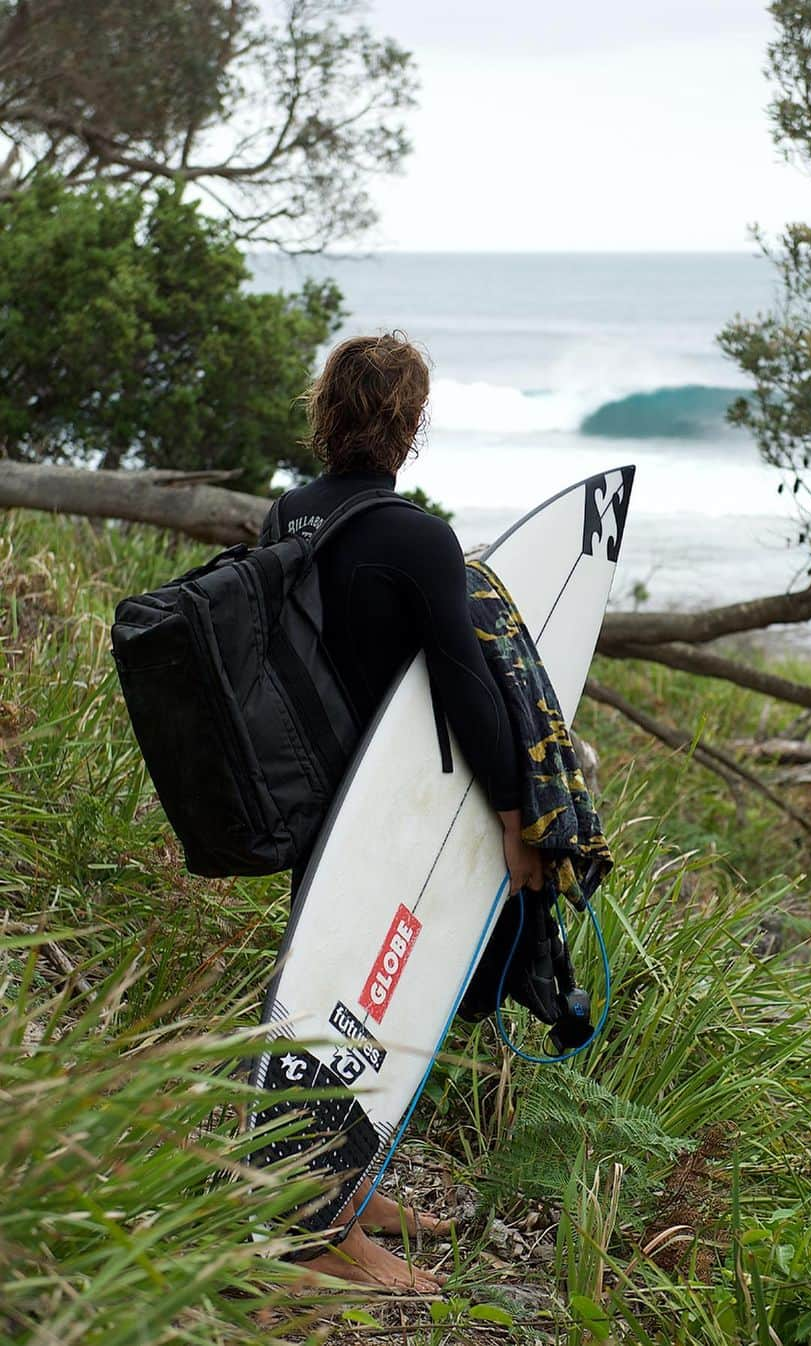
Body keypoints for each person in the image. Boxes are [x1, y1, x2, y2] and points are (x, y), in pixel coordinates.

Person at [262, 334, 543, 1292]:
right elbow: (465, 686)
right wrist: (516, 813)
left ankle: (352, 1190)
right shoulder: (417, 537)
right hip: (393, 817)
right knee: (364, 999)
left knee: (342, 989)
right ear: (410, 423)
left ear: (326, 411)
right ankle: (321, 1234)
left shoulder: (288, 518)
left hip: (314, 802)